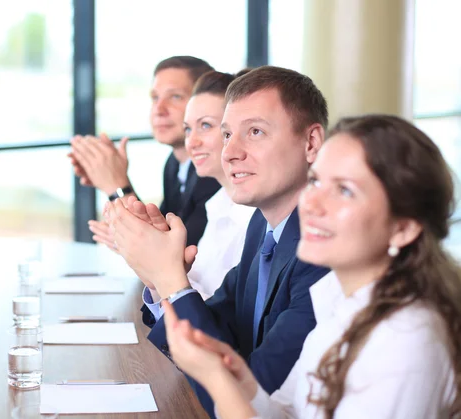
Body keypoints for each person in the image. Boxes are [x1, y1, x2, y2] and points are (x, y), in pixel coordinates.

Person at [162, 115, 461, 419]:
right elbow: (290, 411)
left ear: (403, 228)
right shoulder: (336, 294)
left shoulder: (405, 339)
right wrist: (240, 382)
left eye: (344, 190)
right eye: (316, 181)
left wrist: (216, 380)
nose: (311, 202)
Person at [108, 66, 331, 416]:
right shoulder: (263, 224)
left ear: (311, 142)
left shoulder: (324, 252)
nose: (230, 153)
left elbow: (248, 398)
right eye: (227, 134)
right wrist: (158, 279)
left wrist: (172, 282)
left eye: (255, 131)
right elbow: (222, 329)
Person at [69, 56, 220, 248]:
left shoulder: (212, 170)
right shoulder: (174, 165)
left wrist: (116, 185)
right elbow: (162, 231)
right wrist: (107, 176)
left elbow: (180, 253)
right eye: (155, 97)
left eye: (175, 97)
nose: (159, 109)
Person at [181, 70, 256, 299]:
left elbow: (223, 315)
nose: (191, 142)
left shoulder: (256, 218)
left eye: (205, 126)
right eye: (187, 129)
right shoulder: (219, 205)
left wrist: (167, 276)